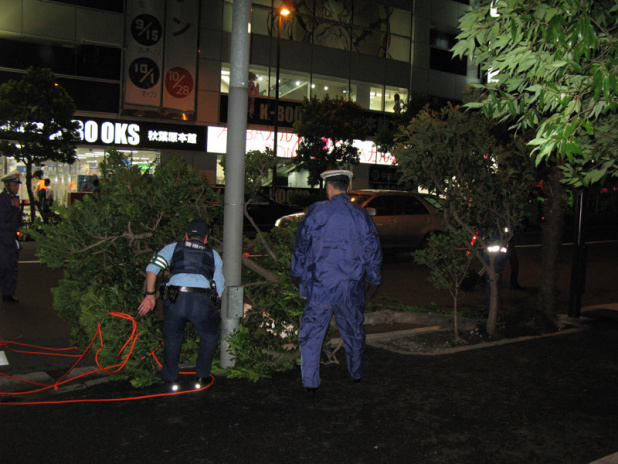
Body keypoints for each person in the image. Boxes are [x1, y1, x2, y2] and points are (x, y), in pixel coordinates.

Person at [291, 169, 383, 391]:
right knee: (352, 331)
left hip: (320, 287)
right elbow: (373, 251)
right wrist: (374, 279)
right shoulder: (360, 214)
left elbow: (301, 249)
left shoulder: (316, 213)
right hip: (350, 288)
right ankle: (355, 374)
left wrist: (297, 275)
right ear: (347, 188)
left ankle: (310, 383)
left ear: (328, 187)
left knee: (312, 335)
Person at [137, 219, 225, 391]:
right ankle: (202, 376)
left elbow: (152, 268)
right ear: (206, 238)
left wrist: (149, 295)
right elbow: (219, 288)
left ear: (186, 236)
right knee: (209, 337)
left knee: (172, 339)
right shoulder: (213, 255)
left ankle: (171, 379)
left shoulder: (173, 248)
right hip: (201, 299)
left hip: (175, 298)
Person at [0, 170, 23, 304]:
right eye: (14, 185)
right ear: (7, 185)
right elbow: (4, 219)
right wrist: (15, 209)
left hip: (11, 239)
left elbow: (16, 220)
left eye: (17, 185)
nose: (17, 187)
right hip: (2, 239)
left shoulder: (14, 199)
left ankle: (8, 294)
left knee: (11, 267)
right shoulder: (2, 200)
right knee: (3, 267)